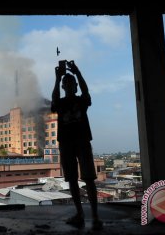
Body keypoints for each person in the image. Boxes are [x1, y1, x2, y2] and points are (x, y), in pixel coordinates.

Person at [51, 60, 103, 230]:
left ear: (75, 86)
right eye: (66, 83)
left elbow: (86, 90)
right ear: (65, 87)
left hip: (80, 141)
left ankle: (93, 216)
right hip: (68, 143)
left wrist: (77, 72)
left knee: (88, 179)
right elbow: (54, 99)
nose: (69, 85)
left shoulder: (82, 100)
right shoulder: (62, 103)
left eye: (70, 82)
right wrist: (58, 79)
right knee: (72, 179)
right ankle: (81, 214)